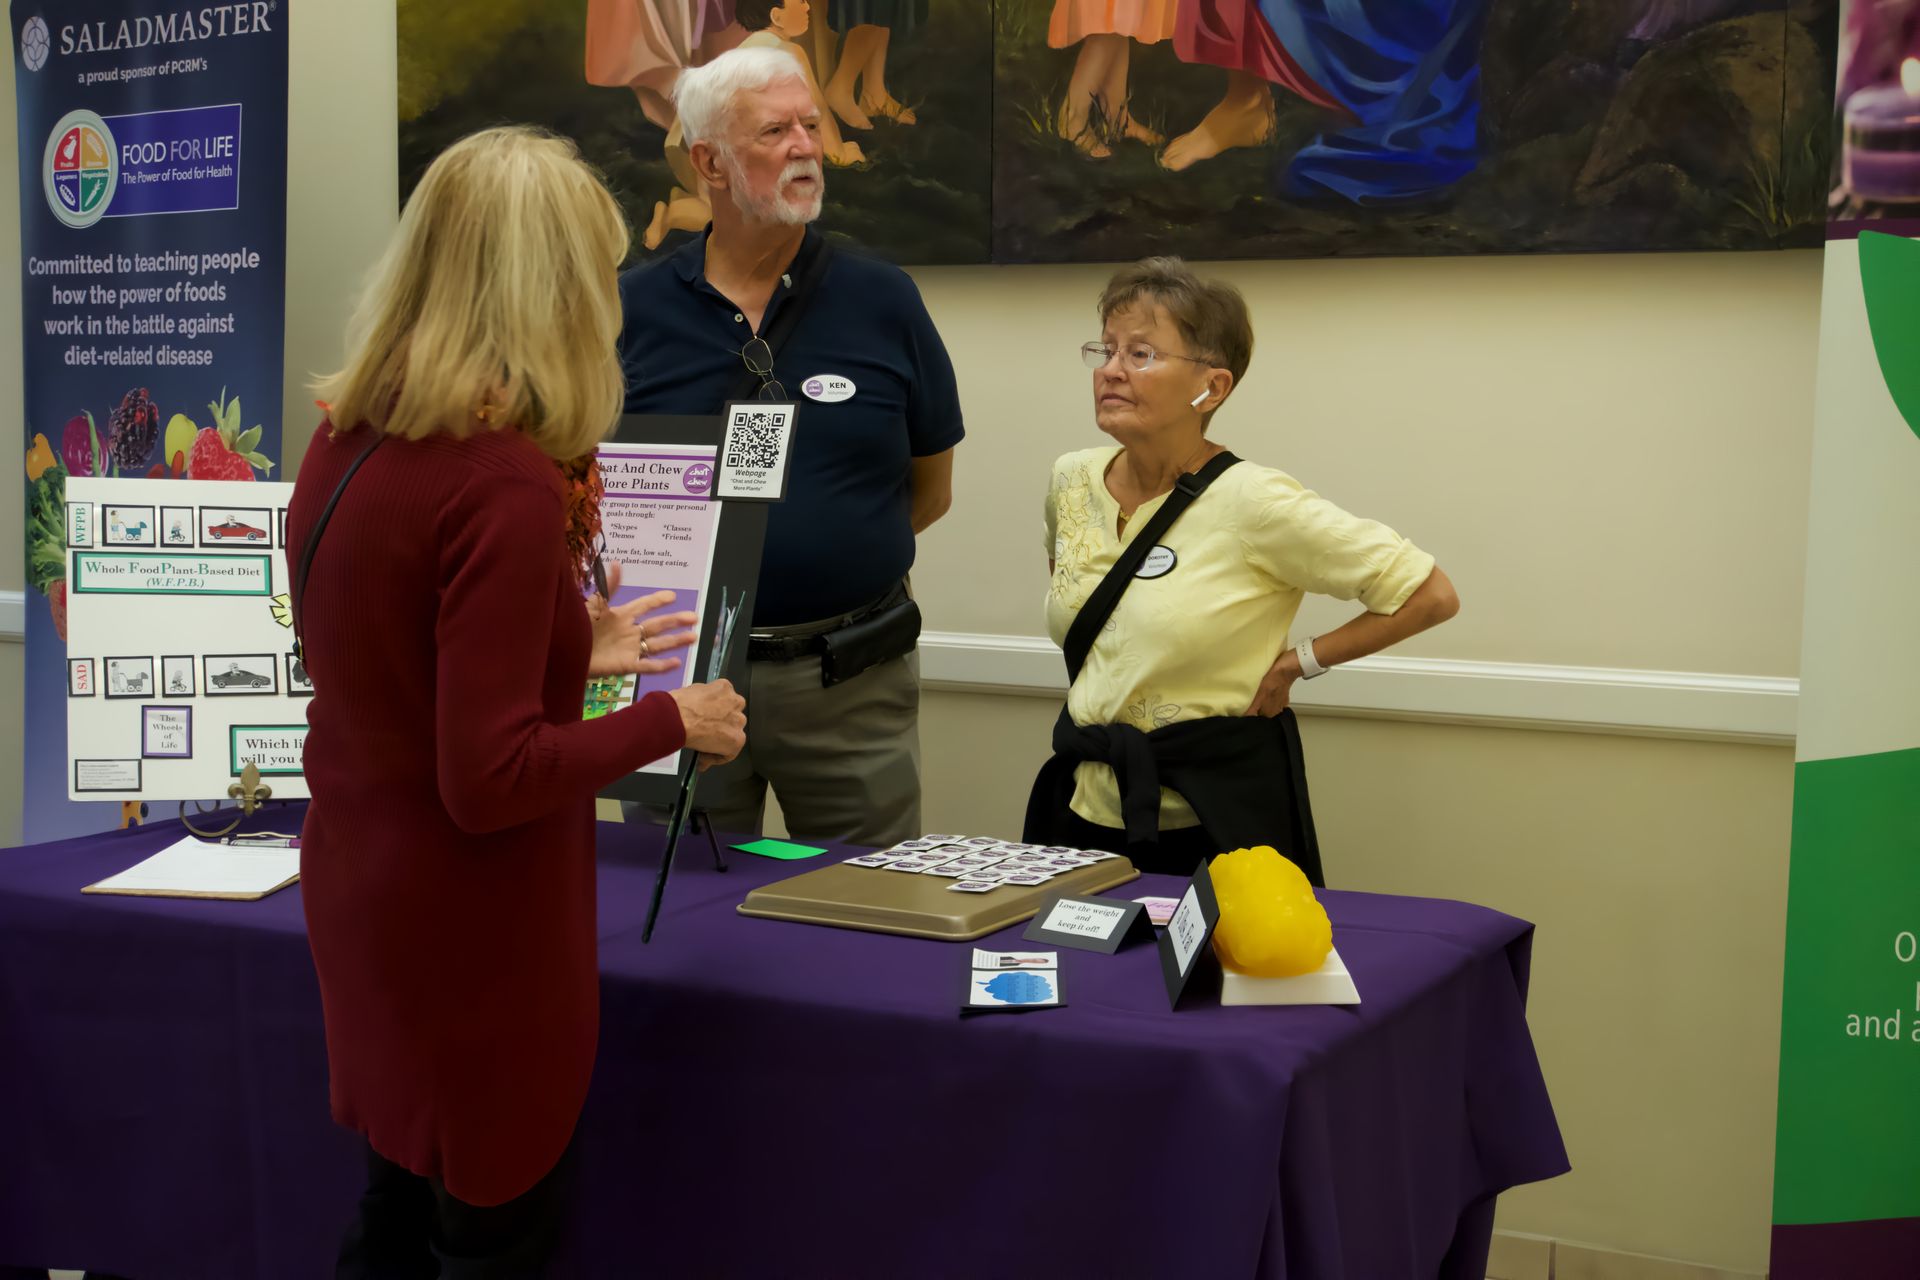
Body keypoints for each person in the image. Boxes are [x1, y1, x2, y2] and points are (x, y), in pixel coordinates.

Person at [290, 126, 747, 1277]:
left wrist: (564, 649)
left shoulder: (345, 440)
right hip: (474, 932)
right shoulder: (504, 482)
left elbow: (380, 660)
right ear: (559, 288)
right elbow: (488, 780)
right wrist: (671, 719)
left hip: (363, 894)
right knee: (493, 1236)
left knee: (395, 1204)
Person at [618, 46, 963, 847]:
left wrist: (823, 558)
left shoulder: (883, 299)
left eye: (812, 124)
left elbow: (930, 490)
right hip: (682, 679)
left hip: (848, 675)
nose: (807, 146)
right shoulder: (631, 311)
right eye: (776, 131)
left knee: (865, 902)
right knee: (680, 905)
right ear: (709, 161)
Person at [1026, 256, 1459, 879]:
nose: (1112, 370)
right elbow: (1082, 596)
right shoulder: (1071, 479)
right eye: (1106, 349)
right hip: (1082, 806)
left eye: (1141, 353)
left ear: (1212, 387)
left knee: (1216, 948)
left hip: (1212, 815)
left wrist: (1298, 662)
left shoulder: (1254, 501)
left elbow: (1429, 594)